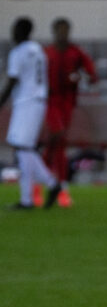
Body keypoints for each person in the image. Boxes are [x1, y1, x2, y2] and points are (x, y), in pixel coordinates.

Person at [0, 17, 60, 210]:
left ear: (21, 31)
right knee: (24, 148)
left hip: (26, 101)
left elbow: (11, 82)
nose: (13, 33)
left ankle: (31, 197)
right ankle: (49, 185)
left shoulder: (18, 52)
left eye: (15, 29)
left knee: (22, 148)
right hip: (37, 101)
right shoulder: (38, 50)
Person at [42, 18, 98, 207]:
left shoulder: (76, 53)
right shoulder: (46, 53)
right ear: (54, 31)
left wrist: (79, 76)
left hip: (67, 103)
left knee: (55, 144)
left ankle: (50, 185)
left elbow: (92, 75)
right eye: (60, 30)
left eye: (66, 30)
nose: (63, 34)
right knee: (57, 137)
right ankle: (58, 187)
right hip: (50, 102)